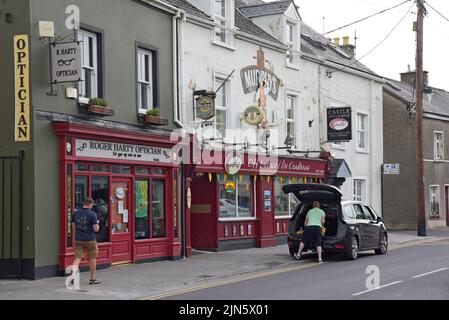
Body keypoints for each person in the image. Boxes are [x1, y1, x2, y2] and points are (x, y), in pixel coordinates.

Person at [70, 197, 101, 284]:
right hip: (90, 239)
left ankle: (72, 275)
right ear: (90, 204)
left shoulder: (75, 213)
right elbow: (96, 229)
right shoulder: (92, 214)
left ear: (84, 204)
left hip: (78, 239)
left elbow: (73, 227)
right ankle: (92, 279)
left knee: (77, 258)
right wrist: (98, 224)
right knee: (92, 258)